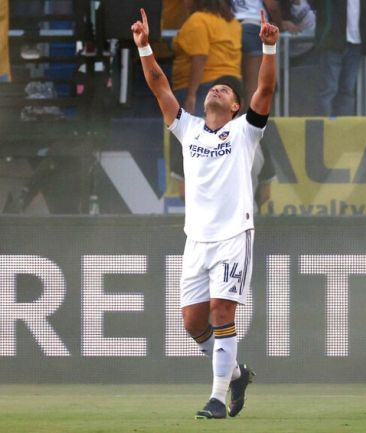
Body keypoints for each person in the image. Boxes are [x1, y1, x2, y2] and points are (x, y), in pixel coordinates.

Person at [131, 7, 279, 419]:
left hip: (234, 234)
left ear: (234, 107)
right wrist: (144, 48)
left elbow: (265, 90)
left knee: (221, 312)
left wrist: (268, 46)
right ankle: (235, 375)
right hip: (196, 238)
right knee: (193, 323)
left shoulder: (246, 131)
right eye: (213, 88)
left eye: (224, 91)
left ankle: (216, 397)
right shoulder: (188, 128)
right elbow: (160, 86)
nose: (216, 90)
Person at [172, 0, 242, 116]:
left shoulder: (198, 20)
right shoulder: (233, 23)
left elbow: (199, 58)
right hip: (231, 88)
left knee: (196, 132)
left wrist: (191, 95)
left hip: (203, 89)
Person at [314, 0, 366, 116]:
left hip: (355, 43)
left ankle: (344, 130)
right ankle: (324, 129)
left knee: (348, 90)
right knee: (329, 89)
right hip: (332, 43)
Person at [233, 0, 282, 112]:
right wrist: (280, 26)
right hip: (252, 24)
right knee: (253, 85)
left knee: (234, 82)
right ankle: (250, 123)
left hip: (231, 27)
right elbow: (272, 5)